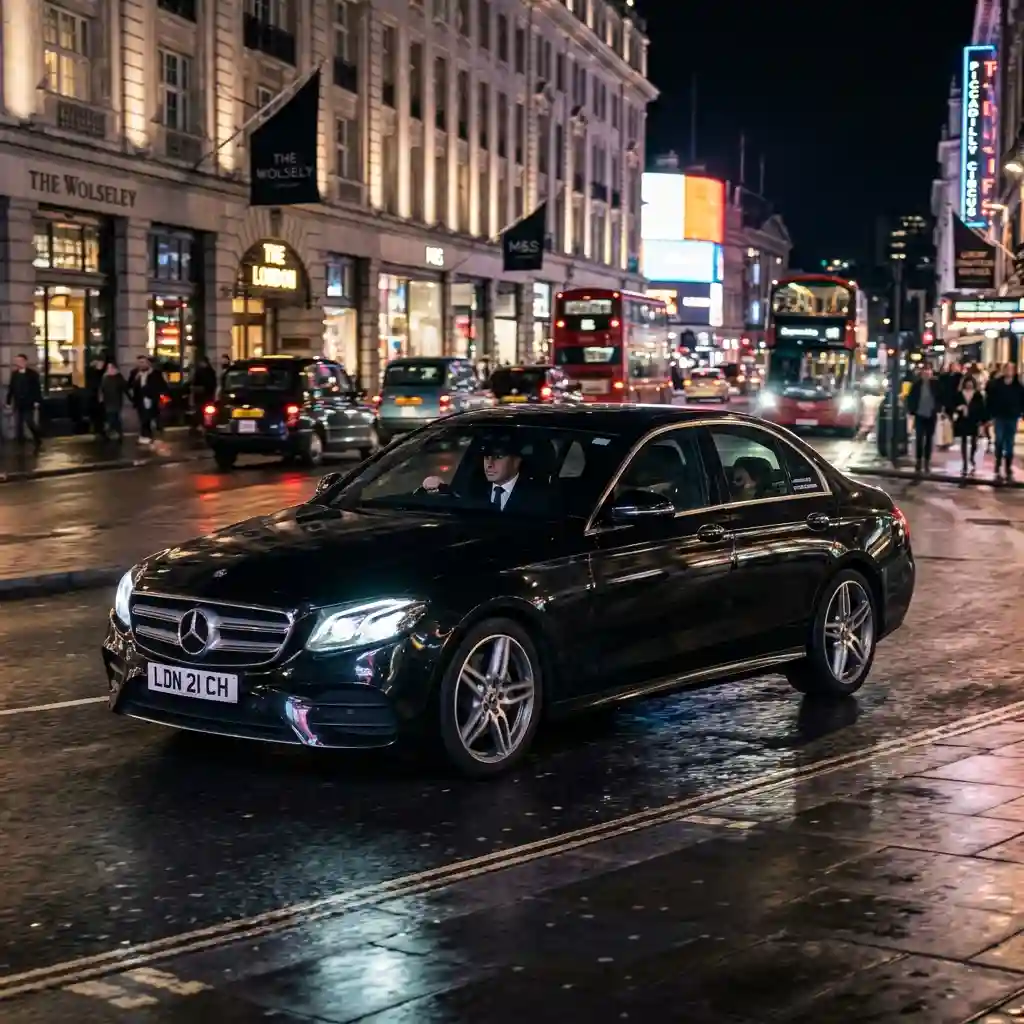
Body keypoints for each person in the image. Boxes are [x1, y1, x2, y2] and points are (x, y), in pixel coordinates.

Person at [985, 361, 1024, 482]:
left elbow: (1022, 400)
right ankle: (998, 464)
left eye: (1011, 369)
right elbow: (990, 399)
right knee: (999, 441)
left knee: (1009, 443)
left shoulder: (1018, 386)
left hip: (1012, 417)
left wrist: (1021, 412)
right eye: (1007, 369)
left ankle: (1008, 466)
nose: (1009, 372)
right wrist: (990, 415)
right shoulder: (997, 384)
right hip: (1000, 416)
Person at [906, 363, 940, 474]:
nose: (927, 373)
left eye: (929, 370)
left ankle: (926, 461)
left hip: (931, 415)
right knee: (919, 438)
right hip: (920, 415)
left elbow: (940, 397)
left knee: (929, 439)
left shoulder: (935, 384)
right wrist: (912, 411)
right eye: (925, 370)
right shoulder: (916, 385)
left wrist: (939, 409)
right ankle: (919, 460)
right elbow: (911, 398)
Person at [951, 375, 987, 478]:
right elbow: (953, 405)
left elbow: (981, 408)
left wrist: (982, 421)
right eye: (967, 382)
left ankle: (971, 457)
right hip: (963, 420)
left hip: (974, 420)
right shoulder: (959, 394)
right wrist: (959, 408)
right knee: (963, 441)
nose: (969, 384)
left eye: (971, 382)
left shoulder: (977, 395)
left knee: (974, 441)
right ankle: (965, 463)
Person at [128, 355, 167, 446]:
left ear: (148, 363)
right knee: (143, 418)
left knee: (150, 417)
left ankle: (148, 435)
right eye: (139, 363)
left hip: (152, 399)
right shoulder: (134, 373)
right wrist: (136, 379)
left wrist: (160, 396)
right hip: (140, 400)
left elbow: (162, 386)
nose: (141, 365)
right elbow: (129, 385)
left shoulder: (156, 373)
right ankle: (146, 435)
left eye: (143, 362)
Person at [5, 353, 43, 447]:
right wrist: (8, 401)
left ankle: (37, 437)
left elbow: (36, 388)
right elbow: (11, 388)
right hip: (18, 402)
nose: (18, 363)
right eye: (17, 361)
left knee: (29, 421)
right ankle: (20, 441)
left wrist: (37, 401)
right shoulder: (14, 374)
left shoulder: (32, 374)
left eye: (20, 361)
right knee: (18, 423)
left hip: (28, 402)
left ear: (25, 362)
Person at [100, 360, 127, 440]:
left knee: (114, 417)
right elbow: (102, 389)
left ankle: (116, 432)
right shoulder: (105, 377)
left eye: (111, 367)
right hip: (107, 400)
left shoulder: (118, 377)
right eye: (108, 367)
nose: (110, 369)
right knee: (111, 417)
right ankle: (113, 432)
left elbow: (125, 388)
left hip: (116, 401)